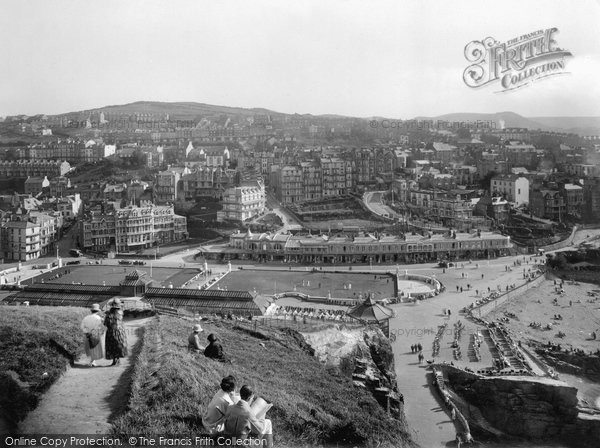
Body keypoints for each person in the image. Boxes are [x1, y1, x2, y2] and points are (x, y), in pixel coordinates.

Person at [104, 299, 128, 366]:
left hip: (111, 331)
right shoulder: (121, 313)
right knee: (118, 346)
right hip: (120, 331)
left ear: (112, 305)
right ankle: (118, 360)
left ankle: (114, 361)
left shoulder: (108, 313)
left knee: (111, 346)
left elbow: (105, 323)